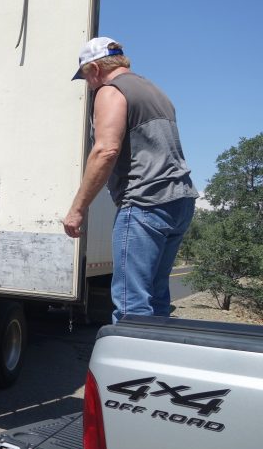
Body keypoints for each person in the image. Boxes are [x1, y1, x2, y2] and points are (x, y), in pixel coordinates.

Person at [63, 37, 198, 324]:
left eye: (86, 76)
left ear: (96, 68)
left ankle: (129, 369)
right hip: (180, 201)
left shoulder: (110, 91)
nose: (88, 85)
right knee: (156, 295)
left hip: (145, 203)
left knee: (131, 303)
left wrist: (77, 209)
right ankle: (154, 363)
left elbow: (105, 150)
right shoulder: (154, 91)